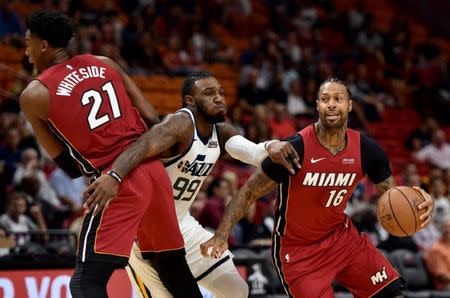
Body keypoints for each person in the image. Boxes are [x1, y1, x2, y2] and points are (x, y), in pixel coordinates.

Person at [19, 9, 201, 298]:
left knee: (85, 282)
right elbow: (153, 120)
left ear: (43, 46)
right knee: (172, 267)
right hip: (153, 172)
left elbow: (69, 166)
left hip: (115, 179)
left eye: (28, 43)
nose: (26, 51)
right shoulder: (104, 63)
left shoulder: (34, 94)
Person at [200, 78, 435, 297]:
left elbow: (393, 196)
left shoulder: (367, 150)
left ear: (350, 105)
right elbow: (247, 193)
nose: (331, 105)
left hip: (343, 239)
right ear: (317, 106)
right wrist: (221, 235)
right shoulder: (294, 150)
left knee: (392, 294)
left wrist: (419, 203)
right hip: (298, 251)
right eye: (325, 99)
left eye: (338, 99)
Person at [83, 71, 300, 297]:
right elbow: (142, 145)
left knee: (237, 289)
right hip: (146, 235)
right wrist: (114, 176)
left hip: (183, 224)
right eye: (208, 93)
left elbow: (252, 153)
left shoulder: (222, 131)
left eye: (220, 93)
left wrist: (272, 145)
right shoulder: (179, 125)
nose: (218, 98)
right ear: (190, 100)